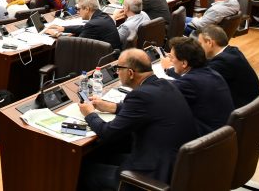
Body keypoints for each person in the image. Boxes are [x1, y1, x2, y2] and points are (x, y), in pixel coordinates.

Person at [78, 49, 198, 191]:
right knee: (102, 155)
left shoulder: (140, 95)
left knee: (81, 170)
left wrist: (89, 114)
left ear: (130, 73)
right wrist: (111, 107)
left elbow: (107, 132)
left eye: (118, 68)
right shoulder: (166, 84)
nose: (117, 72)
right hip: (172, 166)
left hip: (151, 176)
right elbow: (146, 109)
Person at [160, 36, 233, 136]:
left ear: (184, 63)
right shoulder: (211, 72)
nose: (170, 60)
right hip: (225, 133)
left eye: (171, 57)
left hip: (209, 138)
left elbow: (162, 96)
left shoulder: (188, 83)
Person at [195, 24, 259, 108]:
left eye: (200, 44)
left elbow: (199, 82)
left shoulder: (222, 62)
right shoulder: (233, 51)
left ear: (209, 42)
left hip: (241, 113)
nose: (198, 48)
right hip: (252, 109)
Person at [45, 0, 121, 51]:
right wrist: (63, 28)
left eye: (78, 9)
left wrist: (56, 34)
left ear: (87, 9)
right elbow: (84, 28)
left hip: (103, 59)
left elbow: (75, 45)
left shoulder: (92, 24)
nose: (77, 12)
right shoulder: (104, 16)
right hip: (111, 54)